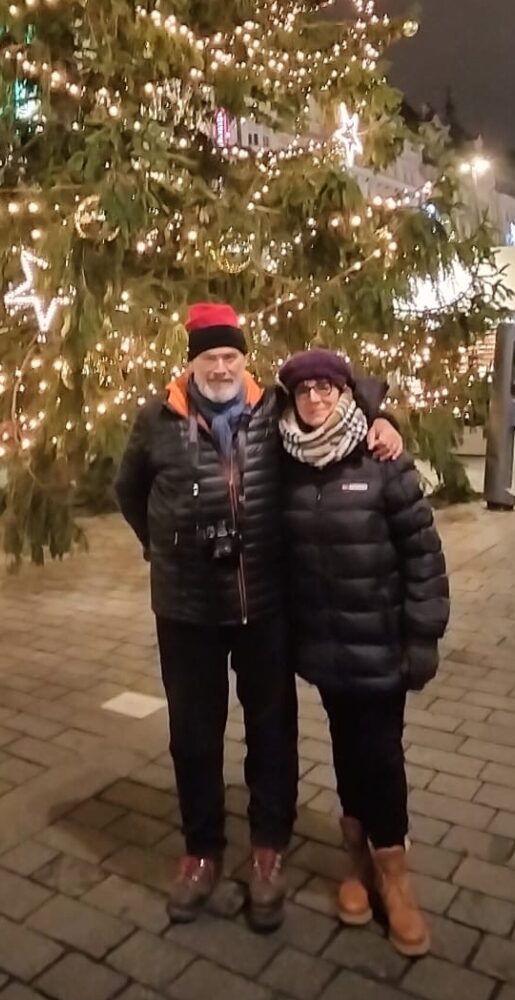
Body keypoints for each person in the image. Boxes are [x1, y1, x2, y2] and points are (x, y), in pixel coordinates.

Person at [115, 302, 402, 931]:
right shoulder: (157, 418)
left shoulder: (274, 410)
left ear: (245, 359)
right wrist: (163, 546)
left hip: (264, 603)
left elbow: (345, 399)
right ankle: (202, 851)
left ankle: (269, 850)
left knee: (272, 732)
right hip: (186, 607)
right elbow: (128, 491)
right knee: (193, 735)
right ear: (191, 362)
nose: (221, 367)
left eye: (231, 356)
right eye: (209, 357)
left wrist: (384, 419)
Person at [276, 349, 448, 955]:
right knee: (347, 748)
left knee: (382, 753)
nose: (316, 399)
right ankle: (357, 862)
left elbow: (423, 554)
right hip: (325, 643)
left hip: (381, 641)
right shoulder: (285, 459)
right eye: (305, 391)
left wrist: (423, 634)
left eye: (327, 388)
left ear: (347, 393)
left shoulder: (381, 457)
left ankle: (394, 875)